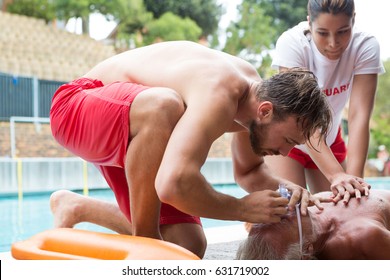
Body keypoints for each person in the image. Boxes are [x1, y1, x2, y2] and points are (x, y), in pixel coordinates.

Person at [49, 40, 332, 259]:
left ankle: (76, 206)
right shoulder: (220, 91)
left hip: (133, 131)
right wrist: (240, 208)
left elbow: (249, 172)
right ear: (266, 111)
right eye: (288, 141)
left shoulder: (254, 101)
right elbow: (172, 183)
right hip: (77, 104)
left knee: (188, 245)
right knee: (164, 106)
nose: (285, 153)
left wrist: (291, 190)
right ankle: (146, 242)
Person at [265, 0, 384, 202]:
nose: (333, 43)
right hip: (287, 140)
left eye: (343, 31)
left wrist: (354, 182)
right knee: (295, 218)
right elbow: (302, 119)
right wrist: (336, 175)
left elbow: (358, 117)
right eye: (322, 33)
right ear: (309, 22)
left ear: (353, 20)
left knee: (349, 209)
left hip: (329, 138)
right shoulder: (293, 44)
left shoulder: (365, 46)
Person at [236, 189, 390, 260]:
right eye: (284, 220)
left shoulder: (308, 206)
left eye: (264, 220)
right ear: (307, 249)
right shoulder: (361, 237)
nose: (282, 209)